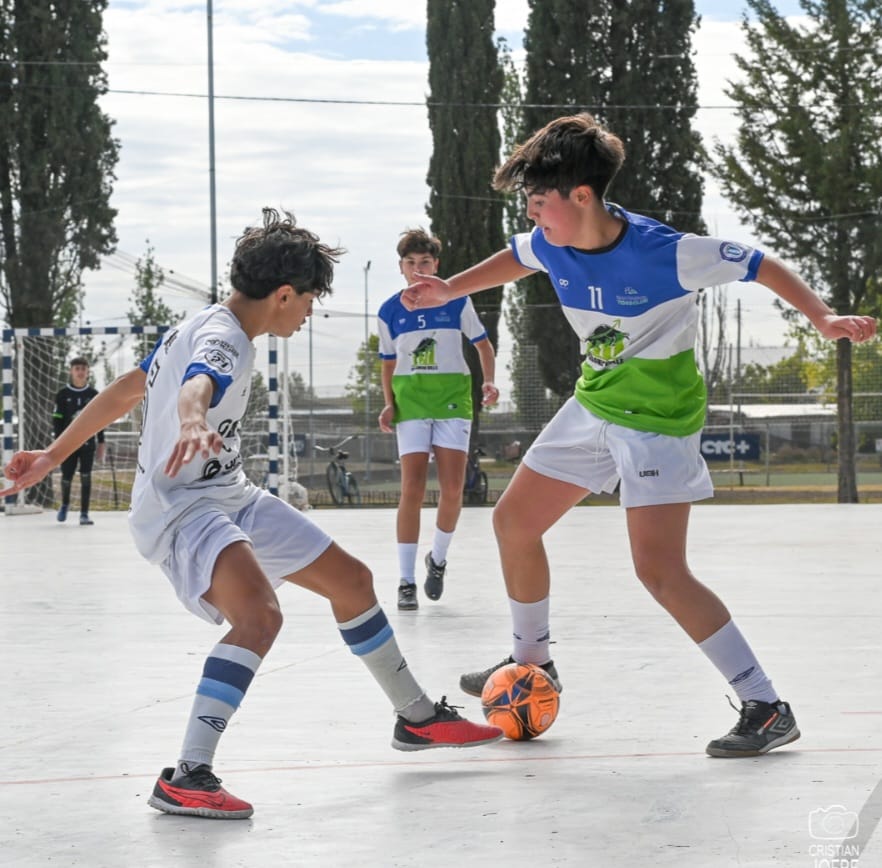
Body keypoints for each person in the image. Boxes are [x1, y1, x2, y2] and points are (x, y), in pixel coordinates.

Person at [402, 113, 878, 758]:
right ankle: (533, 662)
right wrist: (449, 289)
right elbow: (514, 259)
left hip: (657, 423)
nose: (533, 217)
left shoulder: (668, 253)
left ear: (582, 195)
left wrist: (821, 317)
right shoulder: (550, 241)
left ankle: (766, 705)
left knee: (660, 571)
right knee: (514, 523)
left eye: (539, 203)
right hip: (593, 405)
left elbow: (759, 264)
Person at [1, 208, 502, 820]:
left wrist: (52, 455)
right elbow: (197, 385)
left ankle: (416, 718)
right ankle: (187, 776)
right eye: (310, 300)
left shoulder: (201, 324)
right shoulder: (225, 340)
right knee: (259, 617)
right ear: (284, 294)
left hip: (229, 493)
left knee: (351, 581)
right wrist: (192, 418)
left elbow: (130, 387)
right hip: (181, 508)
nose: (309, 312)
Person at [377, 228, 498, 611]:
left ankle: (438, 559)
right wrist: (389, 403)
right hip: (411, 404)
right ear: (401, 267)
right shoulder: (389, 310)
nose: (418, 269)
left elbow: (483, 345)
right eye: (410, 263)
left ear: (436, 265)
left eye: (425, 262)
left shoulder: (456, 300)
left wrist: (490, 381)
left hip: (453, 401)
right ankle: (406, 580)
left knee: (453, 489)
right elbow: (388, 363)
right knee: (411, 489)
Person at [52, 357, 106, 525]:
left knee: (86, 476)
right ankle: (65, 504)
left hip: (87, 443)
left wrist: (101, 442)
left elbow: (100, 420)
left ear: (88, 371)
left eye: (83, 368)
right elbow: (57, 421)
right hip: (68, 444)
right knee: (67, 476)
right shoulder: (63, 394)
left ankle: (84, 513)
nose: (80, 372)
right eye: (77, 368)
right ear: (71, 371)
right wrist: (58, 444)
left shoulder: (94, 394)